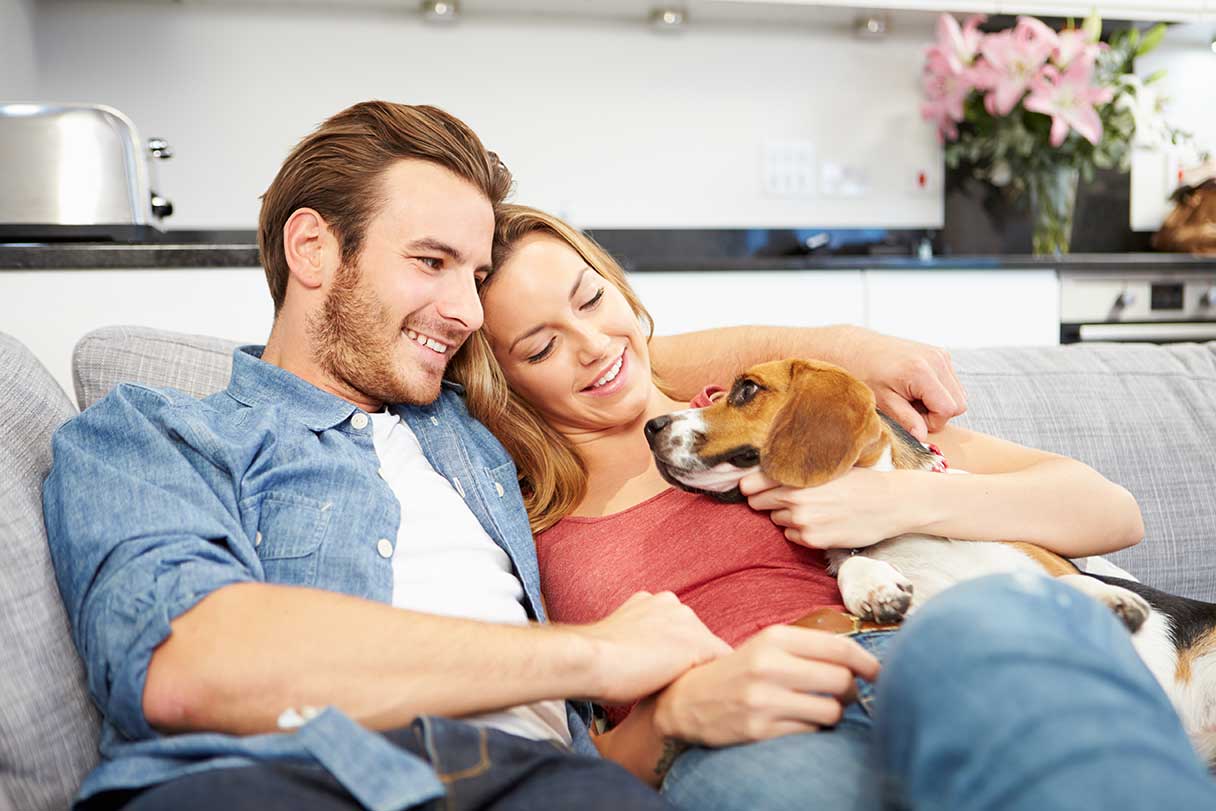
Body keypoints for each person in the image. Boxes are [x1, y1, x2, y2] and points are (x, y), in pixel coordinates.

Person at [41, 101, 968, 811]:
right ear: (314, 249)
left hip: (550, 785)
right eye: (433, 262)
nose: (469, 311)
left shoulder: (476, 425)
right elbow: (192, 663)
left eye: (476, 277)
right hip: (280, 781)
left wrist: (844, 346)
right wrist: (595, 655)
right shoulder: (158, 431)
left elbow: (621, 360)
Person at [450, 203, 1216, 809]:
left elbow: (1109, 510)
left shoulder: (790, 410)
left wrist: (894, 495)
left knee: (994, 629)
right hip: (747, 723)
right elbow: (570, 742)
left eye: (591, 297)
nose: (590, 344)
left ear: (619, 283)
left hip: (933, 648)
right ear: (504, 383)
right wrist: (667, 720)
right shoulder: (522, 516)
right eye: (541, 347)